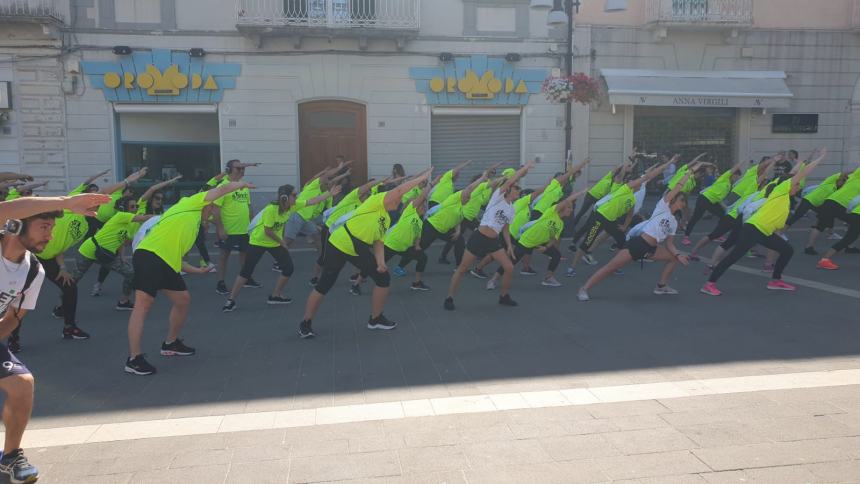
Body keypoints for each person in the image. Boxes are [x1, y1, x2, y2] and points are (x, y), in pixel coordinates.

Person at [125, 180, 255, 375]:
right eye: (211, 207)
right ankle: (134, 359)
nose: (211, 212)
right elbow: (220, 189)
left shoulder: (193, 227)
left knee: (183, 300)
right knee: (143, 305)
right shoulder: (190, 203)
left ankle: (171, 343)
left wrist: (197, 270)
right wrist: (241, 184)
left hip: (167, 263)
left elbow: (177, 260)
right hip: (149, 255)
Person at [18, 169, 147, 350]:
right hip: (28, 255)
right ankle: (13, 340)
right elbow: (101, 193)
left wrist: (62, 267)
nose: (94, 201)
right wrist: (126, 181)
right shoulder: (70, 208)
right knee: (19, 296)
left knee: (70, 287)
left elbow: (60, 246)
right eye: (91, 197)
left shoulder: (85, 226)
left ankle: (69, 328)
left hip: (48, 260)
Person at [297, 169, 432, 339]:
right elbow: (399, 190)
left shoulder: (387, 218)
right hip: (340, 242)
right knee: (325, 285)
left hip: (359, 248)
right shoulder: (375, 201)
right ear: (388, 196)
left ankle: (375, 319)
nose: (399, 201)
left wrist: (381, 262)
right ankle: (305, 323)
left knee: (383, 279)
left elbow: (379, 241)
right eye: (398, 198)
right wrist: (421, 178)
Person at [701, 149, 828, 296]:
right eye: (797, 184)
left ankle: (775, 281)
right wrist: (821, 158)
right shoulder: (781, 189)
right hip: (754, 229)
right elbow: (801, 173)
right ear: (789, 184)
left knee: (787, 250)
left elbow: (793, 172)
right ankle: (709, 284)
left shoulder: (782, 195)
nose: (798, 187)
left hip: (764, 232)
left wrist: (801, 161)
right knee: (733, 256)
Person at [0, 211, 65, 484]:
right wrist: (65, 201)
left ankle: (11, 457)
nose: (50, 235)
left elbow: (15, 317)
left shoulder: (34, 270)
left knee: (22, 384)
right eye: (43, 227)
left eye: (51, 228)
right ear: (15, 225)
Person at [222, 183, 340, 312]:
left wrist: (330, 194)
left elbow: (312, 201)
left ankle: (275, 295)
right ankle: (231, 300)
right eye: (294, 195)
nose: (296, 197)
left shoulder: (292, 206)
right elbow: (268, 231)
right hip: (258, 242)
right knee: (246, 271)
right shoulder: (271, 209)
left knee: (288, 268)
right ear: (285, 197)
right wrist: (282, 242)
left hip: (274, 243)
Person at [578, 170, 694, 301]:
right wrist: (687, 175)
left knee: (673, 258)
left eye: (685, 201)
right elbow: (678, 186)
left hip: (652, 249)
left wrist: (679, 254)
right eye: (681, 199)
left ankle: (661, 286)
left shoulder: (673, 222)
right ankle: (584, 288)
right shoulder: (663, 207)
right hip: (638, 244)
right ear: (672, 199)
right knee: (611, 267)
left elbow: (669, 244)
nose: (683, 203)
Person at [443, 161, 535, 311]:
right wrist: (524, 169)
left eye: (519, 188)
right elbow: (510, 180)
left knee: (509, 267)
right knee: (462, 268)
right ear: (508, 190)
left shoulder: (511, 209)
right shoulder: (498, 197)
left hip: (493, 241)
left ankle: (504, 296)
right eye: (517, 188)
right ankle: (449, 297)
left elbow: (505, 228)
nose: (519, 190)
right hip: (479, 238)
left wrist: (510, 245)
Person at [566, 155, 679, 277]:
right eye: (633, 181)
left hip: (611, 221)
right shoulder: (623, 189)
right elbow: (644, 176)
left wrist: (625, 226)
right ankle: (572, 268)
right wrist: (668, 163)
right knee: (587, 242)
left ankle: (614, 266)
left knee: (622, 241)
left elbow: (630, 215)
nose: (637, 182)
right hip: (599, 217)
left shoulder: (632, 200)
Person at [90, 176, 182, 298]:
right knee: (109, 262)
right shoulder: (141, 205)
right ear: (151, 198)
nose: (159, 201)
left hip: (138, 242)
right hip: (122, 235)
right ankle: (99, 284)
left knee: (144, 264)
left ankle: (140, 288)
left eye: (161, 199)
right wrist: (169, 182)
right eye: (157, 198)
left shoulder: (160, 214)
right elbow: (152, 188)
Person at [485, 187, 588, 290]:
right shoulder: (552, 212)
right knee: (512, 261)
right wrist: (581, 192)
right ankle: (493, 280)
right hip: (527, 240)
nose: (571, 209)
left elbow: (553, 239)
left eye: (571, 208)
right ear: (563, 208)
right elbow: (566, 201)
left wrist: (546, 248)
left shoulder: (560, 224)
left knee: (556, 255)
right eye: (569, 208)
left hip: (540, 243)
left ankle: (548, 278)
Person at [74, 196, 155, 311]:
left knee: (131, 273)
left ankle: (123, 301)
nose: (135, 208)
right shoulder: (121, 216)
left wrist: (122, 257)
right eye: (132, 206)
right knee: (74, 279)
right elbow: (145, 217)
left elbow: (122, 241)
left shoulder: (130, 226)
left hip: (106, 255)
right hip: (88, 250)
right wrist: (161, 217)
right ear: (125, 208)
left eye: (136, 206)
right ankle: (62, 305)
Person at [284, 160, 352, 285]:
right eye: (327, 182)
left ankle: (323, 259)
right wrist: (339, 168)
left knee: (316, 235)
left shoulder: (328, 195)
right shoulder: (313, 186)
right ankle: (279, 260)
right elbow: (325, 176)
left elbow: (329, 211)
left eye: (330, 183)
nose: (328, 183)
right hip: (297, 215)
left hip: (306, 220)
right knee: (288, 240)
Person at [213, 160, 259, 295]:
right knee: (224, 255)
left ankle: (246, 278)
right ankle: (220, 282)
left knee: (245, 253)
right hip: (229, 229)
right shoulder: (223, 186)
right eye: (238, 169)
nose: (242, 171)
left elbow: (248, 206)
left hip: (244, 228)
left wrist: (252, 224)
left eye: (243, 169)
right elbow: (216, 209)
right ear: (229, 170)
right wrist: (220, 228)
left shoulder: (244, 186)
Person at [682, 160, 744, 246]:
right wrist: (743, 161)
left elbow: (719, 199)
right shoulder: (724, 178)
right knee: (696, 217)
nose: (737, 178)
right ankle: (686, 237)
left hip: (712, 202)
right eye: (736, 176)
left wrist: (725, 207)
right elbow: (733, 169)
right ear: (733, 175)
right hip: (704, 199)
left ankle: (717, 235)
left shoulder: (729, 186)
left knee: (724, 216)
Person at [800, 166, 860, 255]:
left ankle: (809, 247)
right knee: (856, 225)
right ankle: (849, 247)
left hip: (830, 202)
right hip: (840, 205)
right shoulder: (855, 176)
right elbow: (849, 171)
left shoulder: (852, 178)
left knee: (821, 225)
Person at [431, 160, 471, 263]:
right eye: (457, 174)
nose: (458, 175)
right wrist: (465, 164)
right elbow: (456, 169)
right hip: (435, 204)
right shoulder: (446, 178)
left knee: (441, 231)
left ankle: (447, 256)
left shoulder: (451, 186)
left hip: (442, 208)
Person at [817, 194, 860, 270]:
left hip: (855, 214)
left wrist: (849, 211)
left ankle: (824, 260)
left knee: (848, 239)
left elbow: (854, 201)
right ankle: (824, 261)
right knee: (848, 239)